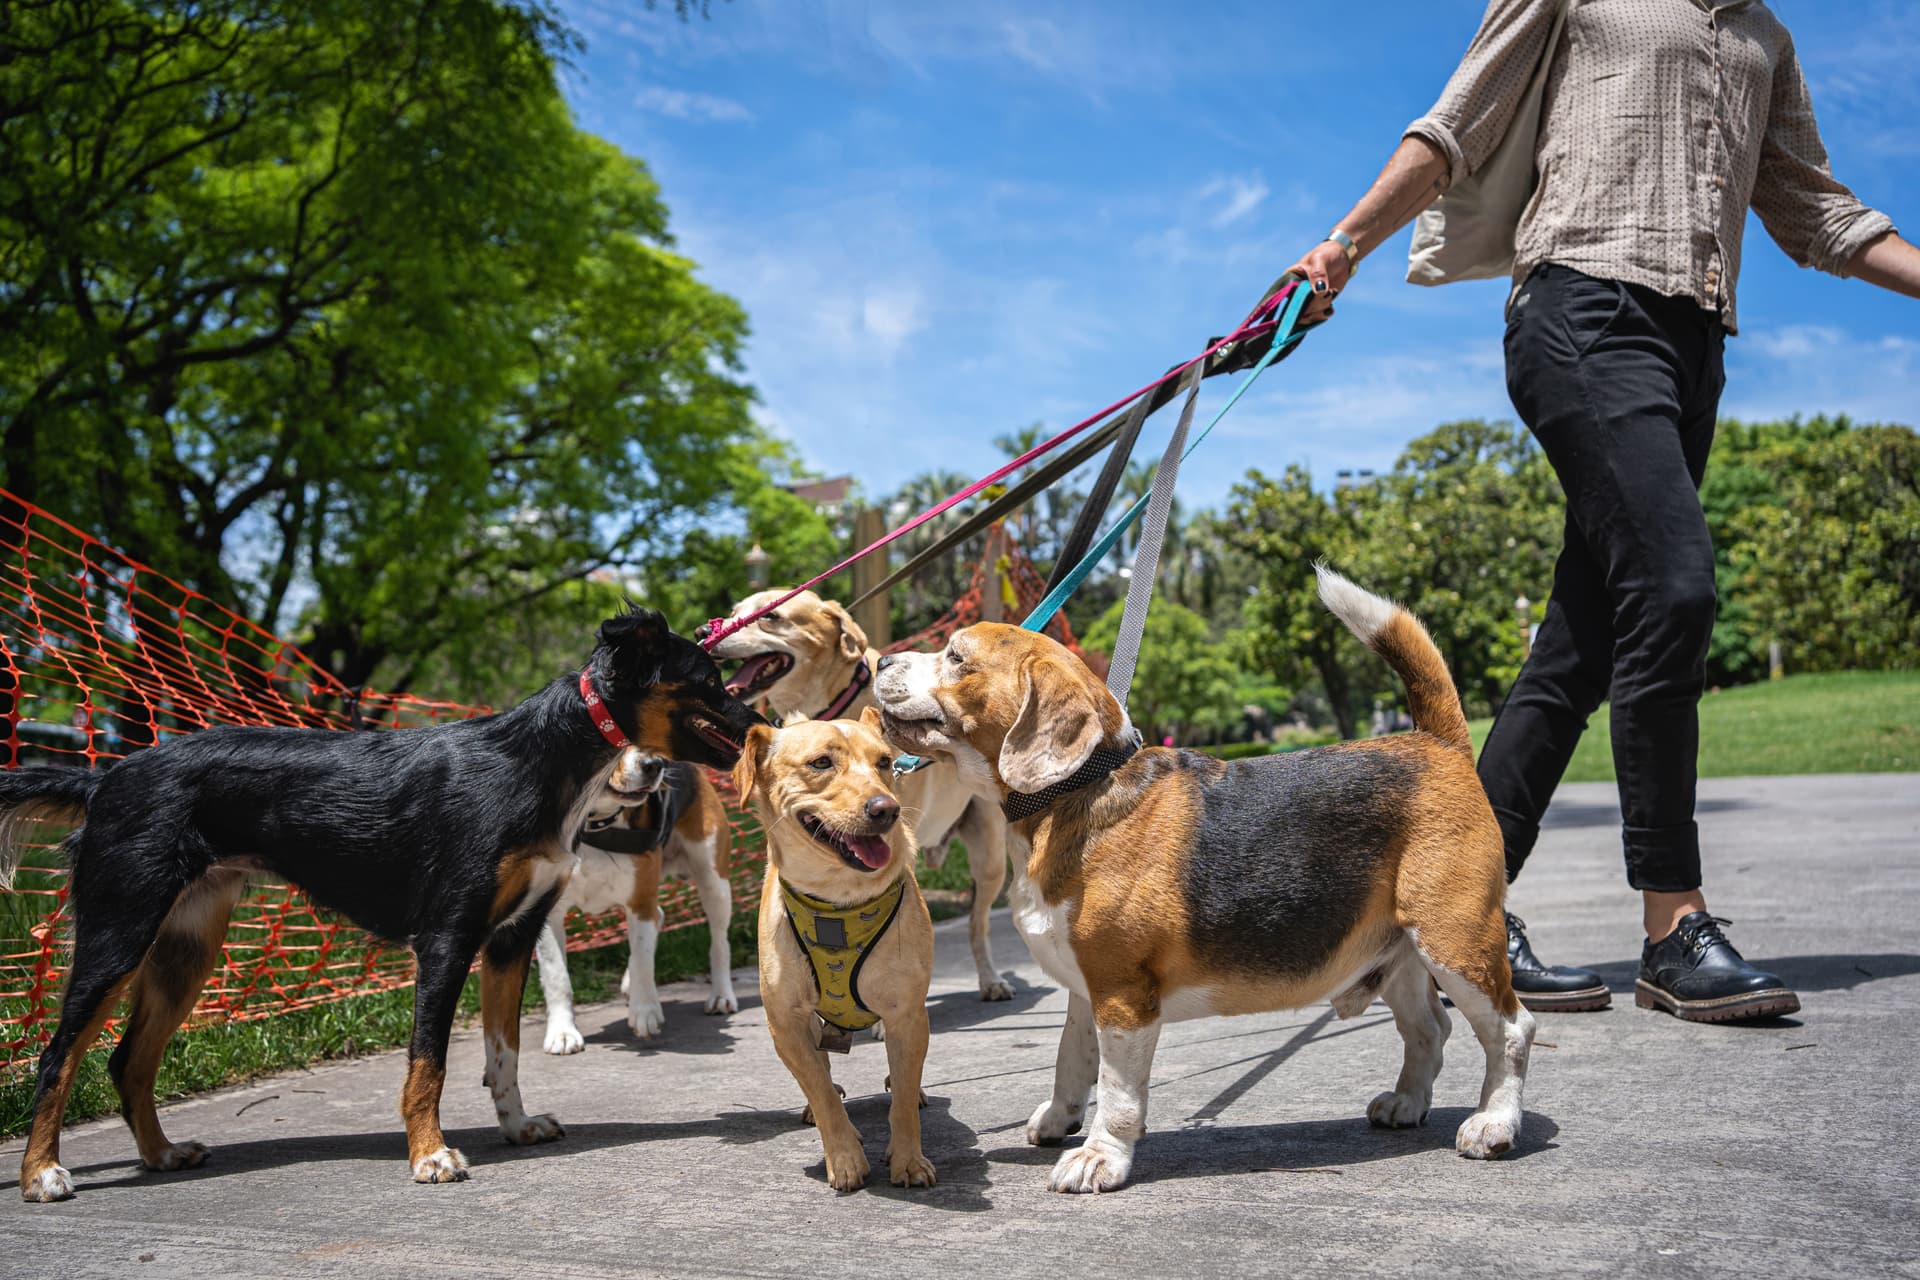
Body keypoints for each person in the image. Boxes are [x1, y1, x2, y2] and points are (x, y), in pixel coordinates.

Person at [1286, 0, 1919, 1023]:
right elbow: (1460, 121)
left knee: (1583, 644)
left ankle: (1453, 915)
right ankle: (1674, 924)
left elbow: (1816, 211)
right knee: (1673, 587)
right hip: (1582, 308)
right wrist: (1343, 246)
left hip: (1694, 346)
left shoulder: (1765, 39)